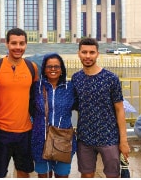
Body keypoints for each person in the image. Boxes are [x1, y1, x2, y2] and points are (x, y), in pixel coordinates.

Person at [72, 37, 129, 178]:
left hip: (109, 137)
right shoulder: (76, 78)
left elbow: (120, 109)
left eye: (92, 52)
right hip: (85, 138)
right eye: (84, 52)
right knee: (86, 174)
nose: (88, 56)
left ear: (98, 54)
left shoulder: (111, 78)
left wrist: (123, 141)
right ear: (78, 53)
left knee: (112, 175)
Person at [0, 28, 38, 178]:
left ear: (26, 45)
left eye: (21, 43)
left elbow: (35, 96)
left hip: (25, 131)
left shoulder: (32, 68)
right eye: (14, 43)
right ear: (7, 44)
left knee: (24, 172)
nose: (18, 47)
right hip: (0, 131)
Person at [30, 53, 76, 178]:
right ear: (44, 69)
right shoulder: (36, 87)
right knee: (43, 175)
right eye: (49, 67)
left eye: (57, 66)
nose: (53, 69)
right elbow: (29, 109)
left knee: (62, 175)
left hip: (63, 141)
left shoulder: (70, 88)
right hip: (41, 140)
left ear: (62, 69)